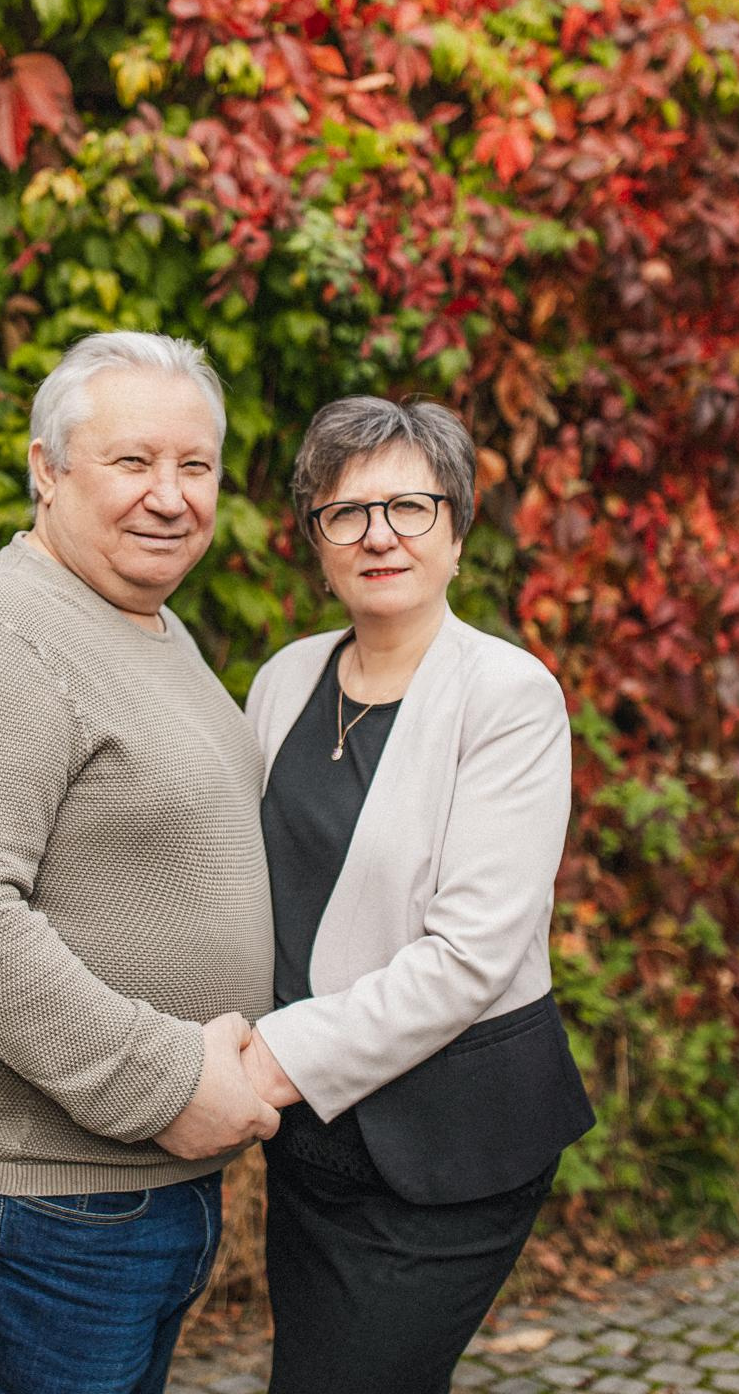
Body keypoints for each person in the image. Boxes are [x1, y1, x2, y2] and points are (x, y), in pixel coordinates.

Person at [0, 332, 280, 1394]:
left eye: (195, 466)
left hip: (134, 1193)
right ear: (47, 470)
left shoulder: (144, 619)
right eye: (132, 462)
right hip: (36, 1203)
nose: (170, 495)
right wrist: (164, 1082)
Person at [235, 396, 597, 1394]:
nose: (379, 533)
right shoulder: (285, 679)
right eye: (345, 511)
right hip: (312, 1138)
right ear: (316, 537)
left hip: (452, 1141)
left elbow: (472, 955)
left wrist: (265, 1061)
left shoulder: (509, 695)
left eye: (410, 506)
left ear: (457, 527)